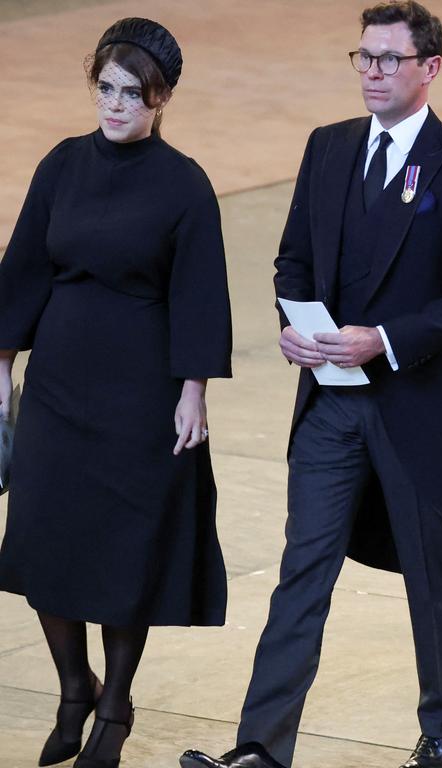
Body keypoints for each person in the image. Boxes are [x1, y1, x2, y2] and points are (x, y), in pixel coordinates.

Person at [179, 3, 442, 768]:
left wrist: (384, 340)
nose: (373, 72)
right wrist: (295, 323)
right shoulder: (327, 149)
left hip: (416, 409)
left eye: (389, 59)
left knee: (434, 579)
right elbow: (292, 258)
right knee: (302, 573)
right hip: (329, 404)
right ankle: (261, 747)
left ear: (430, 68)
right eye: (363, 58)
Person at [0, 17, 233, 768]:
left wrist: (194, 389)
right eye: (106, 88)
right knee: (43, 540)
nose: (116, 104)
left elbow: (201, 295)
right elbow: (24, 268)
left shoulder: (184, 184)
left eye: (134, 93)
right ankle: (75, 688)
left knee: (126, 555)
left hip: (141, 393)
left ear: (162, 98)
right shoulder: (63, 164)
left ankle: (116, 705)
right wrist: (0, 369)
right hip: (60, 387)